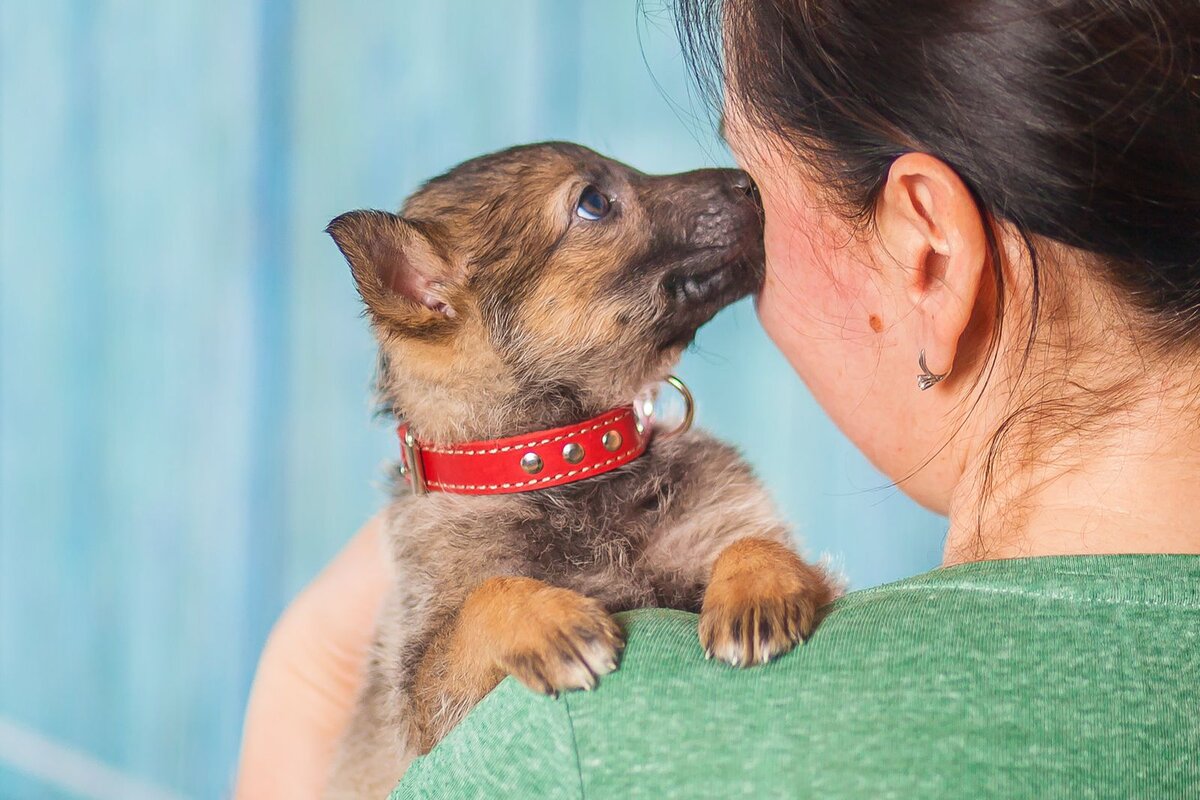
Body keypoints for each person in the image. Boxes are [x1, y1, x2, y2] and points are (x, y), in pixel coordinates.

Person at [235, 0, 1200, 796]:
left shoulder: (568, 750)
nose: (736, 199)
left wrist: (291, 696)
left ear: (930, 251)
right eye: (597, 205)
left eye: (763, 180)